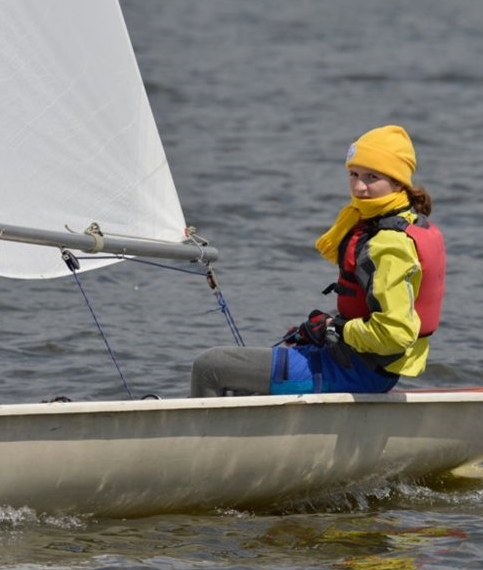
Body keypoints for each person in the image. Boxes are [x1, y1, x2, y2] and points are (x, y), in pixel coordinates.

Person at [190, 124, 445, 397]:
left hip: (355, 371)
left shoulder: (389, 244)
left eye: (372, 177)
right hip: (363, 363)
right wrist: (325, 327)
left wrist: (335, 328)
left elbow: (395, 333)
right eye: (354, 174)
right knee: (248, 376)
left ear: (398, 183)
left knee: (211, 366)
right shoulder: (401, 223)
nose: (359, 187)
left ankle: (199, 427)